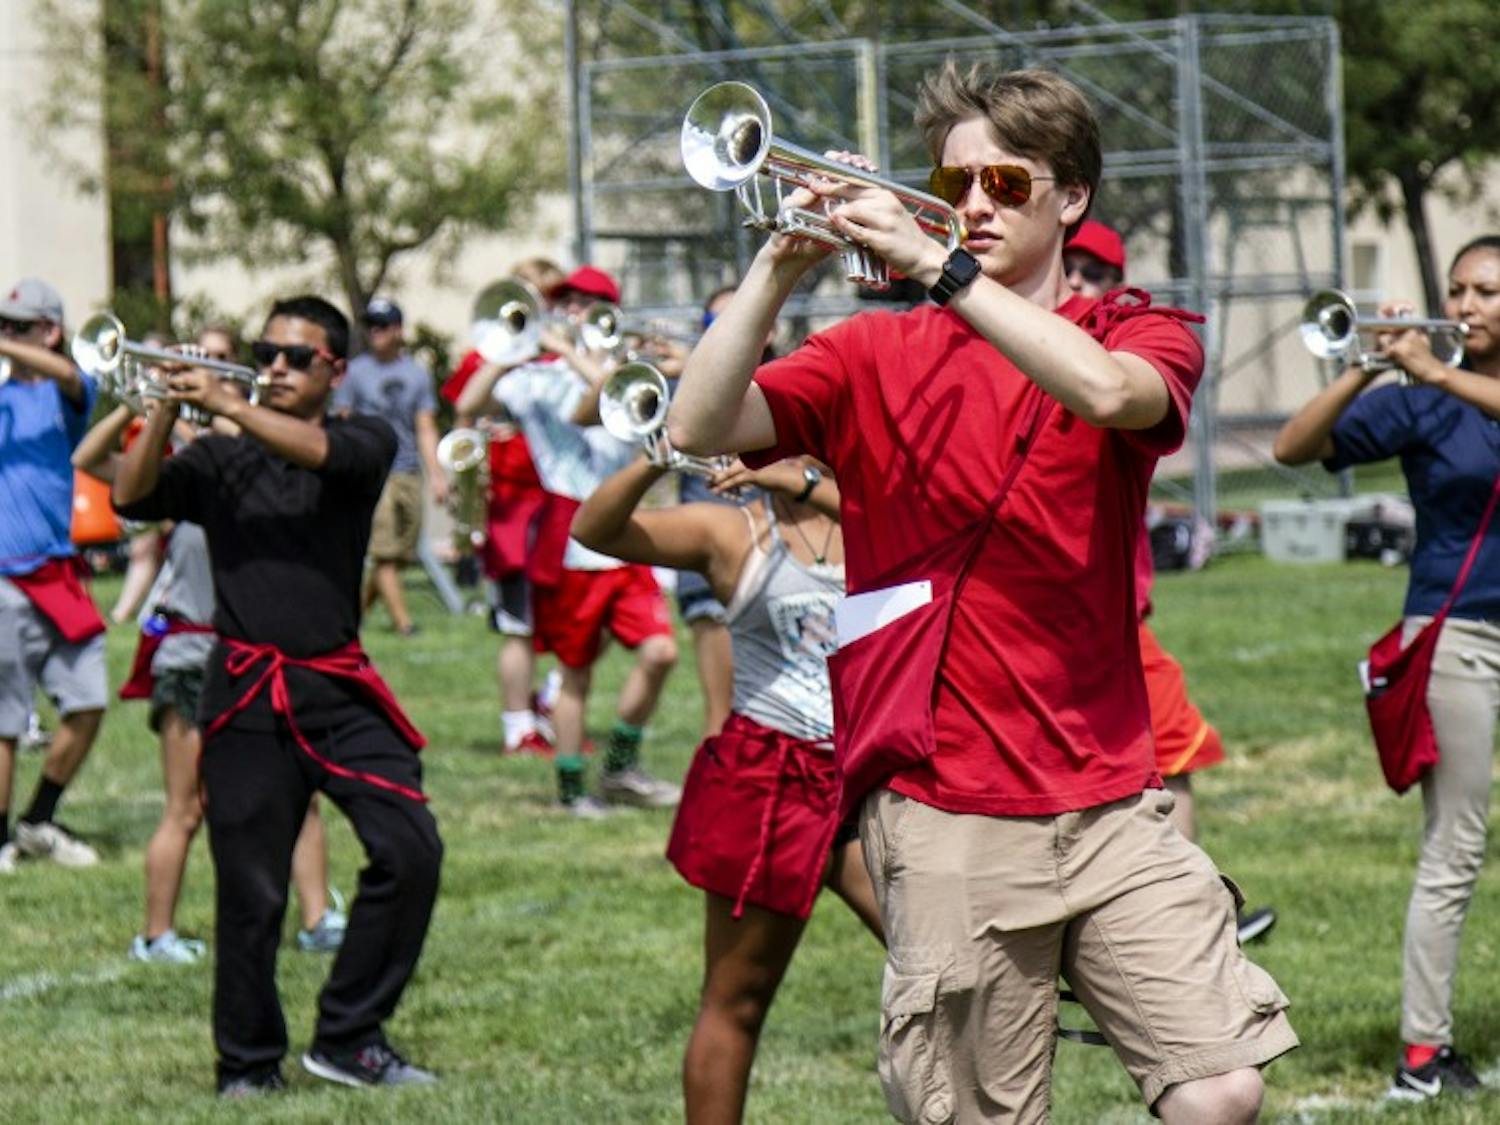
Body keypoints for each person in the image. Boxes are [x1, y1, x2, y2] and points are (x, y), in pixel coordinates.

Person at [669, 63, 1297, 1122]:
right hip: (945, 804)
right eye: (954, 183)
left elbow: (1108, 394)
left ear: (1072, 197)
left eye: (1005, 185)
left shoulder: (1142, 329)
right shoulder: (869, 349)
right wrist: (780, 262)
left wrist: (941, 269)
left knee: (1221, 1086)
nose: (971, 206)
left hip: (1109, 793)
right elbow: (694, 428)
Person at [112, 295, 443, 1095]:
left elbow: (322, 456)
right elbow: (131, 496)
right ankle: (248, 1063)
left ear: (335, 368)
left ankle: (349, 1036)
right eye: (266, 354)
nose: (276, 369)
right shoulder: (222, 459)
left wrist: (225, 400)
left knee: (410, 848)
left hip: (335, 684)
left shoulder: (365, 436)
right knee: (251, 891)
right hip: (246, 694)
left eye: (297, 357)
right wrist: (163, 406)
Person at [573, 452, 882, 1122]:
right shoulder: (732, 528)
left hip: (871, 776)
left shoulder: (879, 517)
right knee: (737, 997)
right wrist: (655, 453)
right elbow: (593, 529)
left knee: (944, 969)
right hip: (770, 774)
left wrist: (808, 485)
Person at [1273, 234, 1500, 1102]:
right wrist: (1368, 364)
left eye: (1486, 290)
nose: (1467, 304)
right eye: (1457, 290)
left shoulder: (1450, 388)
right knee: (1456, 845)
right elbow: (1295, 447)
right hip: (1458, 637)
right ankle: (1422, 1055)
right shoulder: (1425, 404)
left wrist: (1435, 371)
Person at [74, 367, 347, 965]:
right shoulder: (186, 477)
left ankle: (319, 919)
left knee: (300, 794)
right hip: (194, 654)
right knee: (187, 806)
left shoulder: (265, 468)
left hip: (261, 656)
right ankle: (156, 935)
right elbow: (91, 458)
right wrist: (142, 405)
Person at [1063, 219, 1276, 945]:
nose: (1083, 281)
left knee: (1175, 745)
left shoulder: (1134, 339)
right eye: (1072, 266)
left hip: (1119, 611)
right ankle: (1191, 916)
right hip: (1067, 614)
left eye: (1097, 271)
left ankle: (1195, 908)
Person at [458, 266, 680, 817]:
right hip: (574, 539)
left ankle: (622, 763)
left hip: (627, 535)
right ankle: (571, 788)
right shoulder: (532, 378)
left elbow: (615, 393)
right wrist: (509, 347)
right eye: (567, 304)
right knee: (575, 677)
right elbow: (467, 406)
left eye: (584, 304)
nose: (573, 313)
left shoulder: (617, 368)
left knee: (661, 652)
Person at [0, 277, 107, 874]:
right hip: (4, 578)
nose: (6, 337)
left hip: (58, 574)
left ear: (50, 332)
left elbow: (69, 377)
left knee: (88, 703)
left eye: (17, 327)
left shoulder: (72, 387)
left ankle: (38, 820)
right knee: (5, 722)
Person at [443, 257, 565, 755]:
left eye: (546, 300)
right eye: (530, 299)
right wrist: (508, 349)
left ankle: (550, 699)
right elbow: (464, 408)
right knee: (518, 620)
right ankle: (519, 725)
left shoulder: (557, 354)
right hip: (512, 502)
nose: (540, 310)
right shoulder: (487, 355)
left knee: (573, 612)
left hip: (559, 496)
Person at [334, 298, 446, 637]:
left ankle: (354, 613)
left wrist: (436, 475)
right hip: (372, 471)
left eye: (382, 326)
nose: (374, 333)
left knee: (401, 553)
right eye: (370, 326)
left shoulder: (417, 373)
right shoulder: (354, 372)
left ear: (398, 330)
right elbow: (341, 417)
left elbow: (425, 426)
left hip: (408, 470)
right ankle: (404, 624)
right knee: (383, 550)